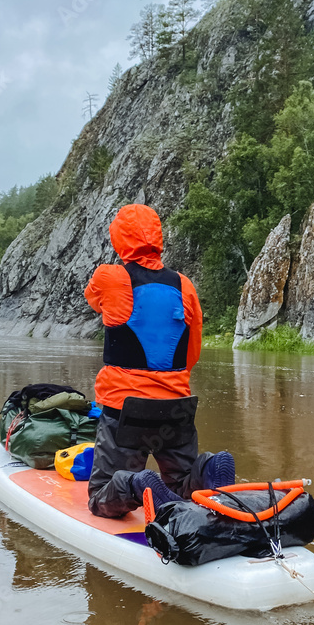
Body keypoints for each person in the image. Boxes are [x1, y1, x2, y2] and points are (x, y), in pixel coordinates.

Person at [84, 204, 234, 518]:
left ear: (119, 239)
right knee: (182, 485)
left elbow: (93, 299)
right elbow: (191, 352)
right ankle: (209, 467)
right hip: (177, 406)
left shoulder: (110, 277)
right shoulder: (185, 285)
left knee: (101, 499)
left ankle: (139, 485)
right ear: (157, 238)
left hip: (125, 409)